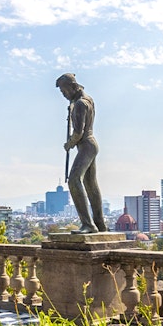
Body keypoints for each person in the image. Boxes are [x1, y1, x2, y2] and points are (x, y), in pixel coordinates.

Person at [58, 73, 106, 233]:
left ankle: (88, 224)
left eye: (64, 91)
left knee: (73, 180)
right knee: (91, 185)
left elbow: (78, 132)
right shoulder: (87, 100)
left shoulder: (80, 104)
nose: (64, 95)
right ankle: (99, 223)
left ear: (73, 87)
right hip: (90, 145)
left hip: (85, 145)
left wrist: (69, 143)